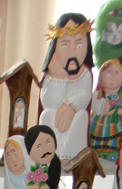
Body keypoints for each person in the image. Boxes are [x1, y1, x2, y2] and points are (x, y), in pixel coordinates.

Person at [39, 13, 93, 161]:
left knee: (81, 116)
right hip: (54, 121)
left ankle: (73, 156)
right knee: (47, 115)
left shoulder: (85, 74)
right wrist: (60, 76)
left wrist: (70, 106)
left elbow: (85, 95)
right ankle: (50, 155)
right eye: (64, 46)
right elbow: (49, 101)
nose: (72, 52)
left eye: (79, 45)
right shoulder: (51, 74)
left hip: (75, 121)